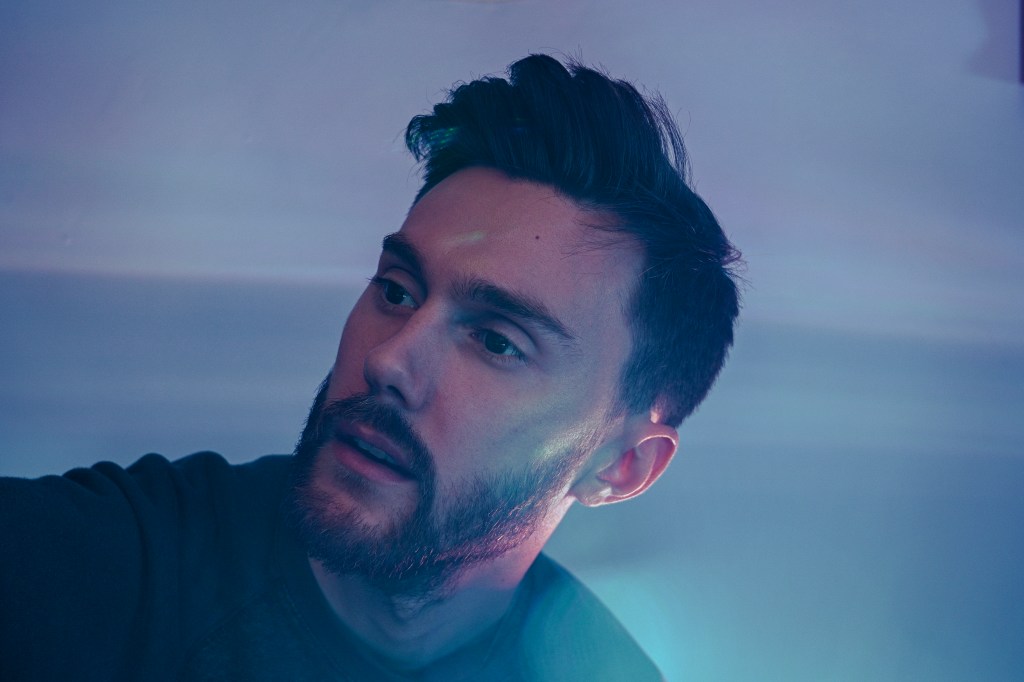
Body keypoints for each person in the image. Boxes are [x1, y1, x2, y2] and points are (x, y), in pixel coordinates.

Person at [0, 54, 741, 681]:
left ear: (621, 465)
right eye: (396, 292)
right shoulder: (94, 569)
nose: (388, 360)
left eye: (497, 342)